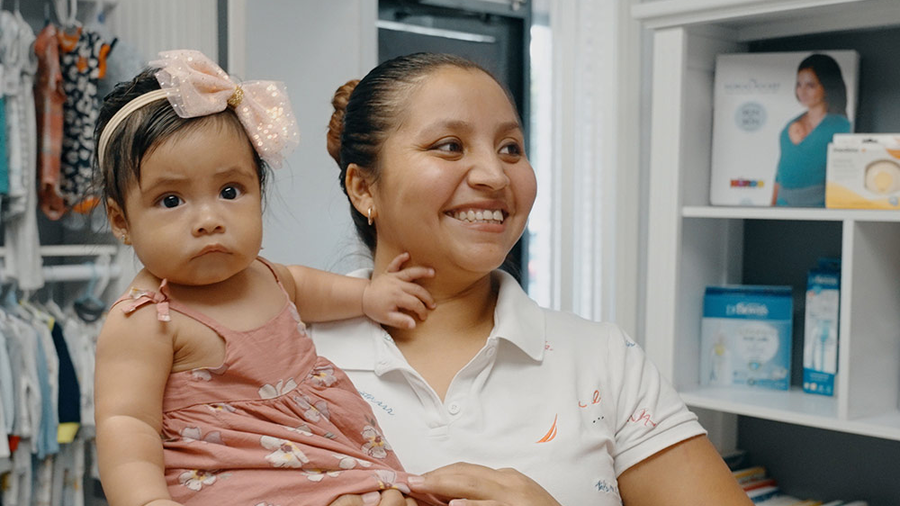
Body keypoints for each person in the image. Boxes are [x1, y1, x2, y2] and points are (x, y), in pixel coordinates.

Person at [313, 52, 755, 506]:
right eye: (450, 145)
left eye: (511, 149)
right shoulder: (282, 358)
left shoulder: (603, 361)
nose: (494, 175)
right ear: (364, 188)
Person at [92, 50, 445, 506]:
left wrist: (369, 295)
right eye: (171, 200)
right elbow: (127, 425)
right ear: (122, 221)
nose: (208, 219)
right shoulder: (145, 319)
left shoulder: (262, 275)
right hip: (230, 476)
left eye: (229, 191)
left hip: (324, 454)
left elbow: (303, 287)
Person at [772, 53, 851, 207]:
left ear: (826, 87)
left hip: (821, 209)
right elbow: (779, 176)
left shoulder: (843, 128)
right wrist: (768, 212)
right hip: (783, 207)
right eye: (799, 84)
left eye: (810, 85)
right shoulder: (788, 128)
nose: (802, 91)